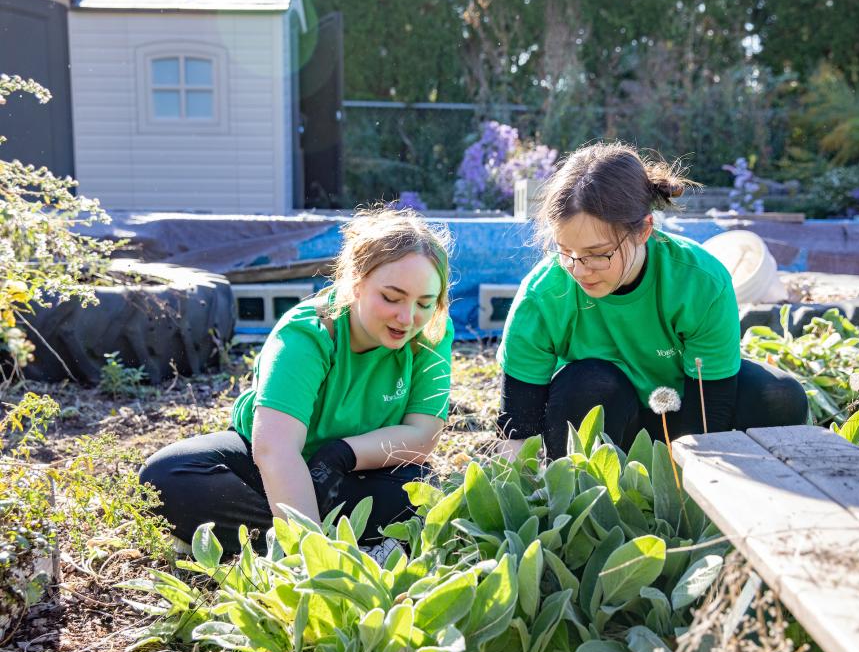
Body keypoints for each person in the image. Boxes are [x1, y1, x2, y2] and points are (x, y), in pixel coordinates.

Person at [140, 209, 453, 557]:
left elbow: (422, 435)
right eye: (392, 298)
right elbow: (275, 451)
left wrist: (341, 455)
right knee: (166, 476)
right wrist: (311, 558)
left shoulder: (430, 332)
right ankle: (331, 545)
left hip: (353, 469)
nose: (407, 317)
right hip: (267, 469)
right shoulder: (307, 334)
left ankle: (246, 542)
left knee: (418, 491)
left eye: (425, 303)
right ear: (356, 282)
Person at [496, 143, 807, 459]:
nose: (578, 268)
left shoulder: (699, 282)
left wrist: (680, 483)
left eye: (597, 254)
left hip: (682, 416)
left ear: (643, 230)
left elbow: (711, 408)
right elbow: (518, 426)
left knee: (779, 395)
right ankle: (588, 481)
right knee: (588, 381)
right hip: (601, 421)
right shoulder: (542, 294)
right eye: (565, 250)